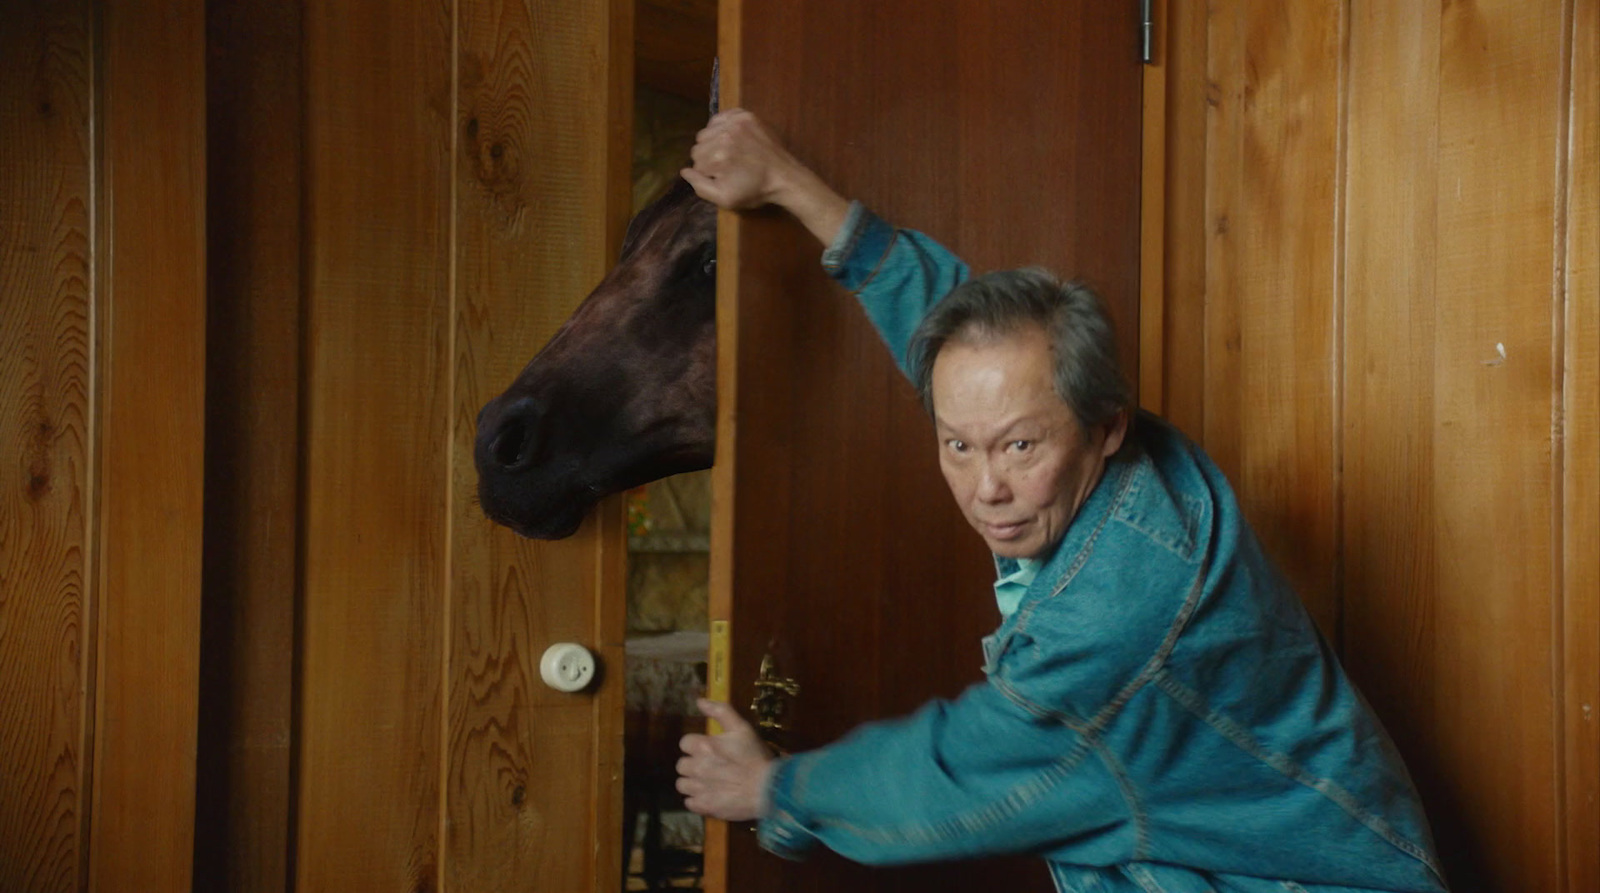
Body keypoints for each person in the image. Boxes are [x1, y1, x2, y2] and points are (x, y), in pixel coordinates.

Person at [674, 109, 1449, 893]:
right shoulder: (1075, 423)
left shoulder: (1111, 614)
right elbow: (958, 332)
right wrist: (788, 184)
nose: (986, 488)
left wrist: (773, 789)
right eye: (957, 445)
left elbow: (955, 768)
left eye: (1018, 446)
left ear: (1104, 426)